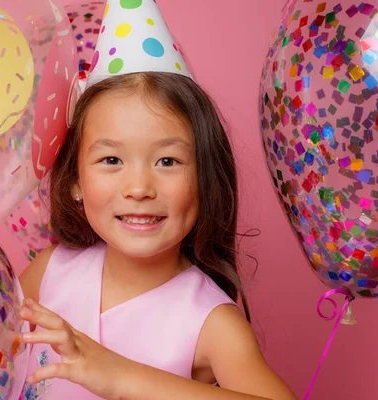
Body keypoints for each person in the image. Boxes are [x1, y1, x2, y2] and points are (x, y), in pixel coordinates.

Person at [16, 1, 296, 399]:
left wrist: (119, 376)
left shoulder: (210, 322)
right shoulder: (50, 274)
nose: (139, 188)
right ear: (75, 181)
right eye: (111, 160)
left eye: (167, 160)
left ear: (204, 179)